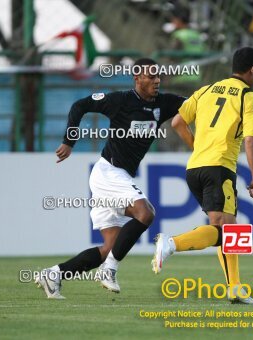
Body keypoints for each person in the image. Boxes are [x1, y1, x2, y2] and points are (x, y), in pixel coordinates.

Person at [35, 58, 186, 299]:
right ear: (137, 78)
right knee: (145, 213)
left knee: (108, 249)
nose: (157, 80)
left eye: (158, 76)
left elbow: (198, 104)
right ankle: (109, 271)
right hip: (108, 172)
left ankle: (54, 274)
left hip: (117, 176)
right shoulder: (120, 100)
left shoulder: (165, 103)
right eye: (151, 76)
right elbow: (79, 105)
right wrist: (68, 141)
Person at [151, 47, 253, 304]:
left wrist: (197, 147)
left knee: (228, 228)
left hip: (195, 167)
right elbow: (250, 139)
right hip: (220, 168)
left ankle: (235, 288)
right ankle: (172, 243)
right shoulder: (249, 98)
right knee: (226, 231)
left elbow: (178, 122)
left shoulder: (205, 90)